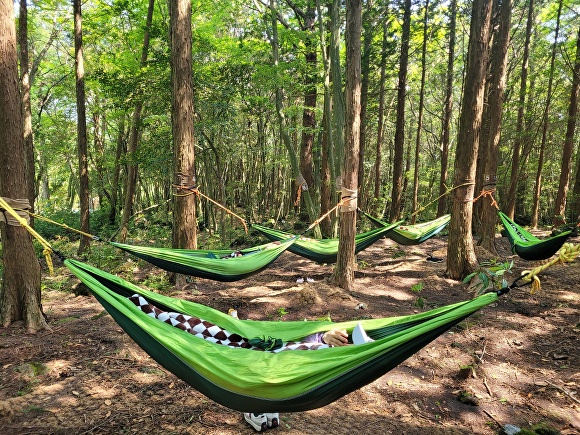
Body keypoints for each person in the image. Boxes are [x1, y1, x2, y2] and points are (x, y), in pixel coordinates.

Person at [243, 325, 373, 432]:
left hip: (292, 357)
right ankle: (259, 405)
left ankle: (262, 406)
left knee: (309, 355)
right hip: (273, 358)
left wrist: (323, 337)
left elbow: (299, 334)